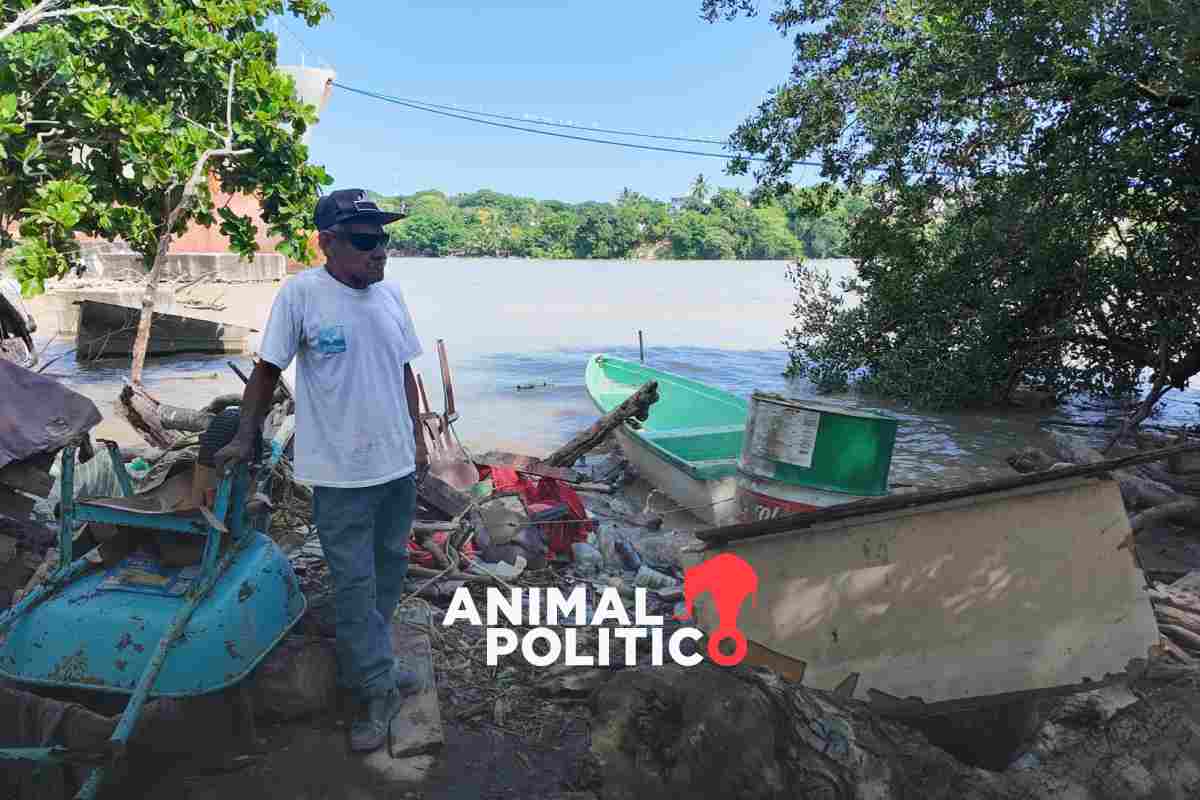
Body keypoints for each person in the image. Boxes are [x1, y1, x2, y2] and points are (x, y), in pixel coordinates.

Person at [213, 188, 428, 753]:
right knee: (354, 586)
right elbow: (265, 372)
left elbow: (405, 371)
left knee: (389, 571)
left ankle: (373, 665)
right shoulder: (301, 295)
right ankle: (374, 692)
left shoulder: (392, 297)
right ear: (327, 243)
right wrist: (243, 436)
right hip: (339, 475)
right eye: (364, 240)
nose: (379, 251)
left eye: (384, 238)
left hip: (396, 466)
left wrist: (420, 439)